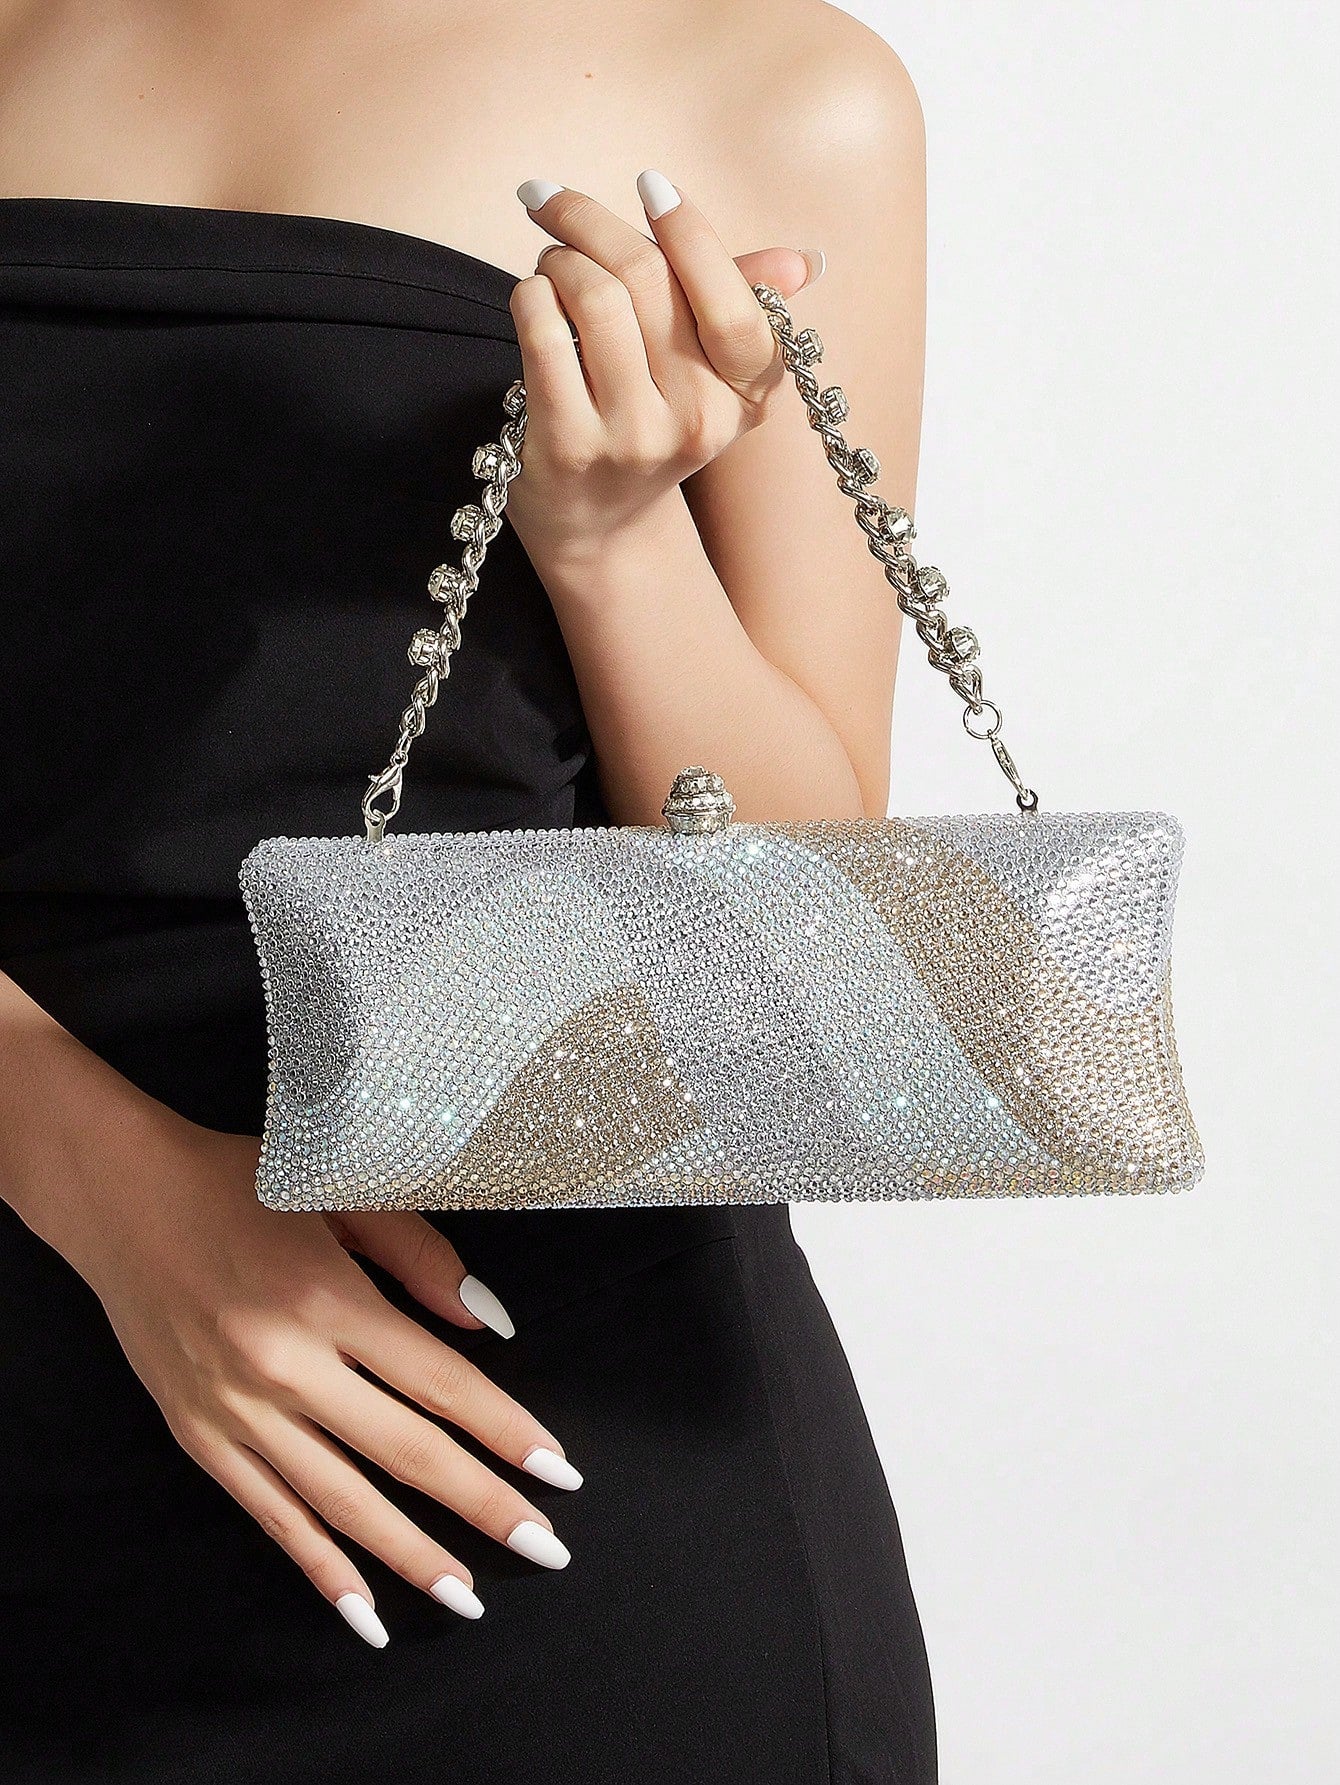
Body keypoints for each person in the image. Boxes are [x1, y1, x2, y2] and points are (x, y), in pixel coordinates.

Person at [0, 2, 937, 1779]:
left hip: (554, 1499)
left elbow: (814, 971)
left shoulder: (777, 89)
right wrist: (101, 1173)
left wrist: (616, 544)